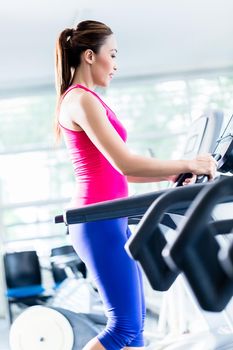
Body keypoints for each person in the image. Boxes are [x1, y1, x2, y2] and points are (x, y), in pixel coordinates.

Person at [54, 20, 217, 350]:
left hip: (110, 218)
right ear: (89, 56)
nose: (115, 64)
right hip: (97, 221)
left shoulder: (88, 100)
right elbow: (125, 162)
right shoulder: (80, 100)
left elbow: (123, 174)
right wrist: (187, 163)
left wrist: (171, 174)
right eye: (111, 55)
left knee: (135, 330)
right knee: (123, 328)